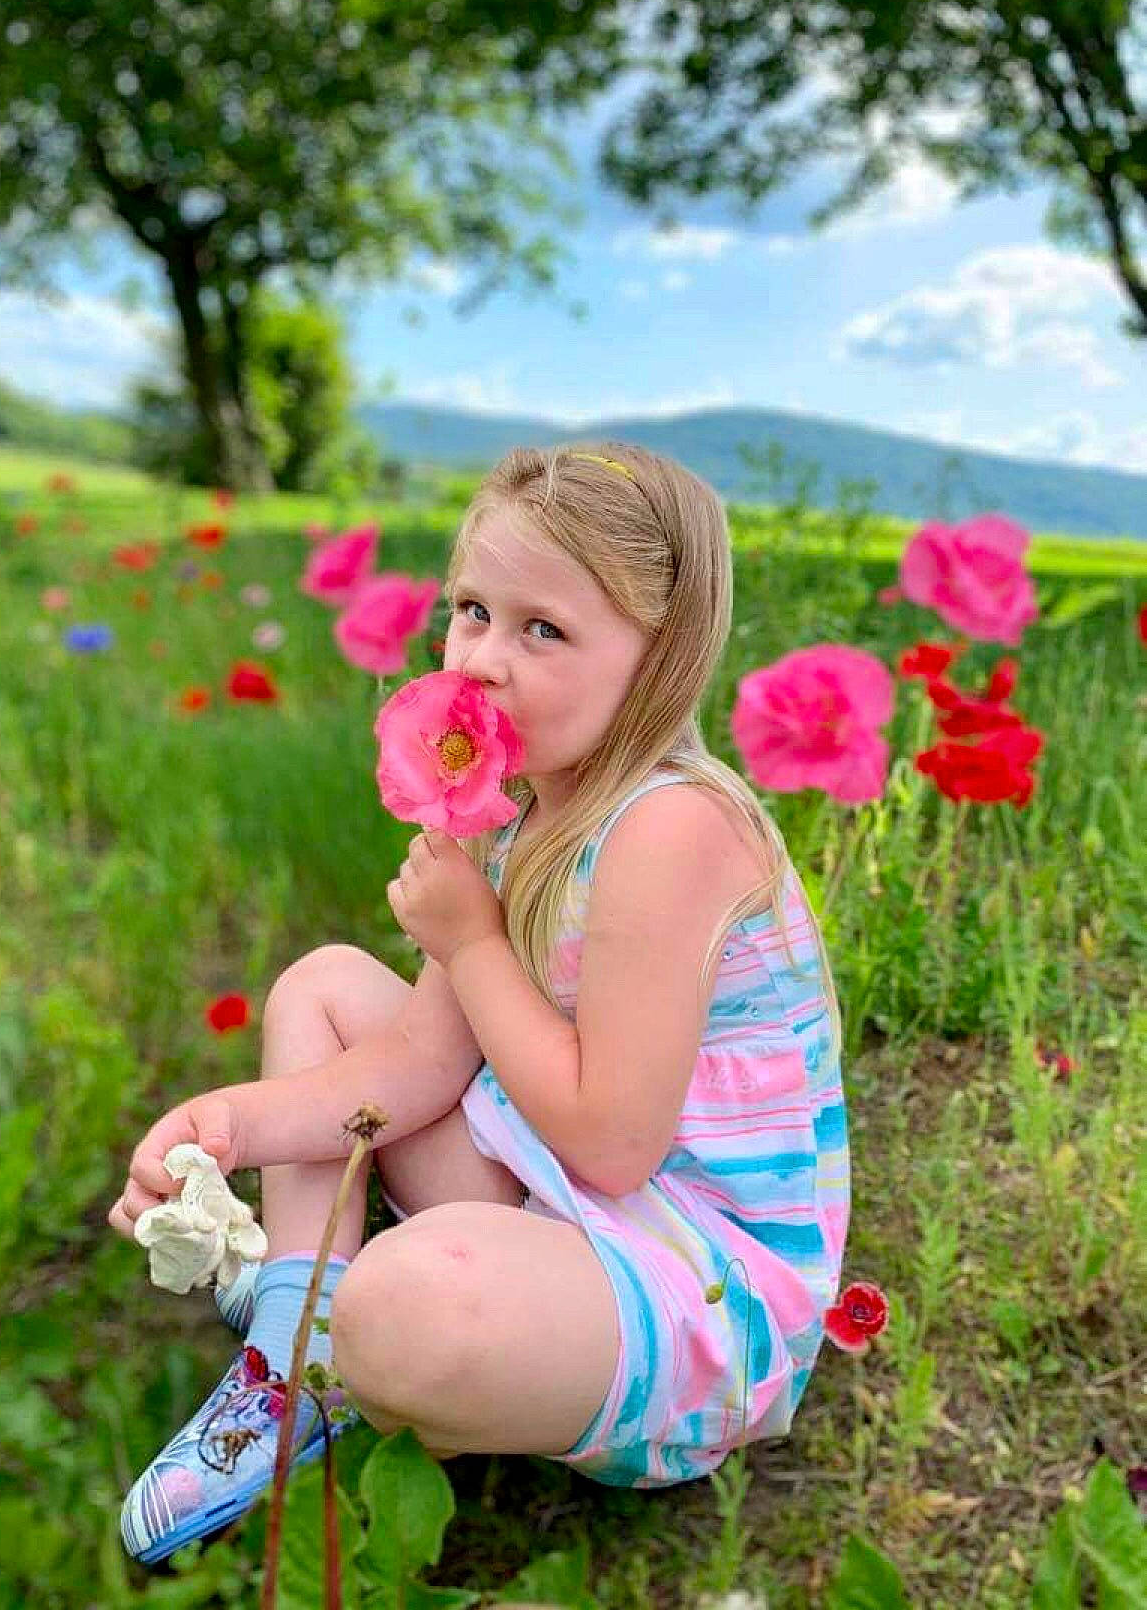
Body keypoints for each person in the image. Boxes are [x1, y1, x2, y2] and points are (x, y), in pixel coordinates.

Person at [109, 441, 851, 1565]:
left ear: (660, 660)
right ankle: (289, 1360)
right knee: (325, 987)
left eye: (541, 629)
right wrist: (225, 1126)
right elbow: (412, 1066)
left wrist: (470, 937)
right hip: (568, 1203)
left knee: (403, 1308)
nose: (485, 659)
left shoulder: (674, 830)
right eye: (470, 611)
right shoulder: (511, 810)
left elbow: (613, 1141)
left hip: (697, 1280)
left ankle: (366, 1332)